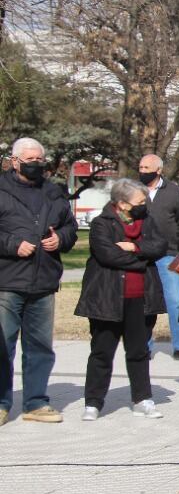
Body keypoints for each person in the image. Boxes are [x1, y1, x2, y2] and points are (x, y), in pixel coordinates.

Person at [0, 137, 77, 426]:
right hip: (7, 281)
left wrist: (62, 239)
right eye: (29, 159)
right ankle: (1, 402)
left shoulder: (53, 191)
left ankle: (35, 402)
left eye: (39, 159)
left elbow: (70, 226)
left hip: (43, 280)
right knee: (2, 345)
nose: (35, 164)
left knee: (40, 347)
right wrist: (11, 244)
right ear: (14, 160)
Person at [77, 179, 167, 420]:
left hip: (141, 299)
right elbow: (108, 256)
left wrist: (134, 248)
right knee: (102, 352)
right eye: (139, 201)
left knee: (139, 352)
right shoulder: (101, 224)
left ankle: (142, 399)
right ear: (122, 204)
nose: (143, 204)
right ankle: (93, 402)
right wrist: (143, 258)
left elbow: (160, 245)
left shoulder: (147, 220)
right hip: (107, 300)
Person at [137, 154, 179, 360]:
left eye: (146, 167)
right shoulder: (134, 190)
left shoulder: (173, 192)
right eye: (140, 167)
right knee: (144, 302)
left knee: (175, 300)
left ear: (158, 170)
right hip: (141, 255)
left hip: (167, 254)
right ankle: (144, 347)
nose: (142, 171)